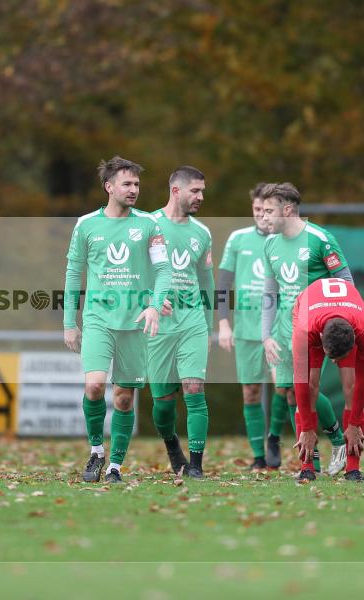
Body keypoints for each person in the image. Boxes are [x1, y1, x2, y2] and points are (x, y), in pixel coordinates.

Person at [64, 156, 171, 484]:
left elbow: (164, 269)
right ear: (109, 187)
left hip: (136, 321)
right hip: (98, 318)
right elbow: (73, 272)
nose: (134, 189)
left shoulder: (149, 225)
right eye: (127, 184)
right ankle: (97, 451)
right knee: (94, 385)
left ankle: (116, 466)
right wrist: (70, 322)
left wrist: (154, 305)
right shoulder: (86, 224)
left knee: (124, 397)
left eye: (137, 184)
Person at [260, 182, 348, 479]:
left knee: (305, 392)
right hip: (283, 331)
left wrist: (338, 328)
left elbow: (345, 283)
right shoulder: (270, 244)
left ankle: (335, 441)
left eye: (270, 210)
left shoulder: (321, 239)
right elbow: (270, 293)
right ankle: (311, 466)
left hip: (316, 330)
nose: (264, 217)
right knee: (293, 395)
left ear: (288, 210)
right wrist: (266, 335)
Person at [148, 166, 214, 479]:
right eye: (195, 191)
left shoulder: (202, 233)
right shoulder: (147, 225)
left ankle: (197, 465)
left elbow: (207, 283)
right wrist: (149, 299)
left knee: (194, 387)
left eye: (202, 191)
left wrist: (210, 324)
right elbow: (128, 275)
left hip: (192, 321)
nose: (201, 196)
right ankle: (173, 445)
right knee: (163, 403)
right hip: (158, 325)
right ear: (176, 190)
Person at [216, 183, 279, 470]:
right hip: (246, 331)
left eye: (267, 211)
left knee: (287, 388)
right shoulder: (238, 239)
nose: (261, 216)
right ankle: (258, 456)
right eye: (256, 210)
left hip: (280, 330)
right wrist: (224, 324)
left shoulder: (288, 240)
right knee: (251, 392)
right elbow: (223, 284)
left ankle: (277, 439)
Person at [292, 277, 364, 482]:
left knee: (351, 385)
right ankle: (307, 467)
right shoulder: (305, 331)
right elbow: (301, 383)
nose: (335, 362)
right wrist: (308, 429)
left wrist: (355, 424)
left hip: (348, 315)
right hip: (308, 308)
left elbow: (362, 381)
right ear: (320, 340)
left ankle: (353, 469)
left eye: (340, 357)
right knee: (310, 385)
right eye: (332, 357)